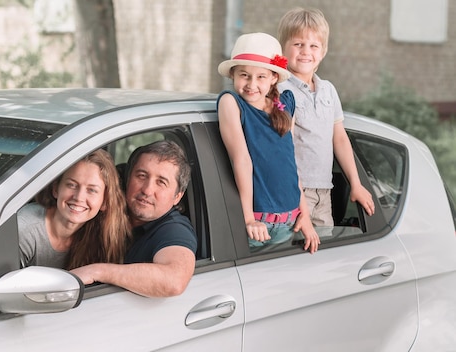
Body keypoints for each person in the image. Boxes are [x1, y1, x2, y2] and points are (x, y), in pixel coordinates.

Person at [217, 32, 320, 253]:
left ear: (274, 77)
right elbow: (241, 160)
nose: (251, 84)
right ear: (233, 75)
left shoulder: (285, 104)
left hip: (291, 224)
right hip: (256, 226)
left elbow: (290, 164)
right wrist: (248, 220)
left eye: (261, 77)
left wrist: (306, 215)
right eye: (244, 75)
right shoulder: (231, 103)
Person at [277, 8, 375, 230]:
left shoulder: (328, 91)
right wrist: (296, 192)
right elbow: (283, 146)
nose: (305, 52)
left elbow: (339, 139)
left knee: (322, 257)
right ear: (283, 48)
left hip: (324, 191)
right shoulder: (280, 90)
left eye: (313, 46)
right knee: (295, 256)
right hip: (295, 192)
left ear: (323, 51)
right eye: (298, 44)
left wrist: (356, 184)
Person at [70, 140, 197, 297]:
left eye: (161, 182)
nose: (147, 190)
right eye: (142, 176)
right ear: (128, 178)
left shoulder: (175, 230)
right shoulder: (103, 204)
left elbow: (174, 281)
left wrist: (97, 271)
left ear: (177, 196)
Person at [18, 149, 130, 270]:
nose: (79, 197)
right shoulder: (25, 230)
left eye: (92, 190)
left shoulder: (103, 235)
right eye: (72, 185)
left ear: (104, 201)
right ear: (56, 189)